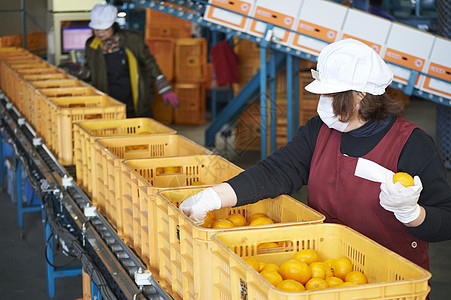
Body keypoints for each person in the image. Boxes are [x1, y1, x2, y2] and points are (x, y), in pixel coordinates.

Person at [180, 39, 451, 271]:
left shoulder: (412, 144)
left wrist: (411, 213)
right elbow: (277, 171)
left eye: (330, 94)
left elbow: (446, 218)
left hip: (391, 280)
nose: (322, 103)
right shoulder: (319, 131)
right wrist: (213, 196)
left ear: (359, 96)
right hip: (325, 273)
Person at [83, 4, 179, 117]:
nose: (100, 33)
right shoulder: (91, 45)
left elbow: (149, 63)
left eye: (104, 29)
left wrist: (164, 88)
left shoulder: (133, 40)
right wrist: (81, 72)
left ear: (113, 26)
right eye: (96, 29)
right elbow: (91, 71)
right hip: (109, 103)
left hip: (135, 100)